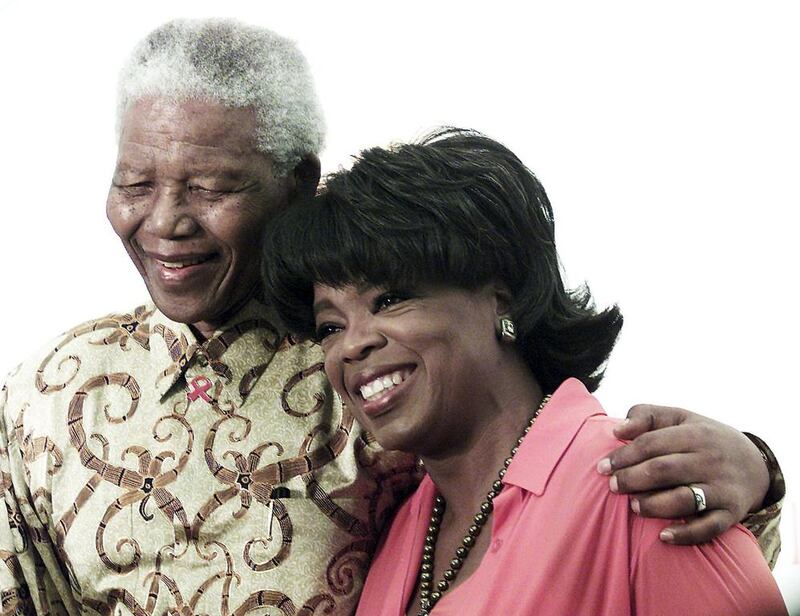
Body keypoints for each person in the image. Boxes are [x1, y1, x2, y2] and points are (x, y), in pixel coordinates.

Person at [0, 18, 783, 615]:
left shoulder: (373, 386)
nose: (166, 221)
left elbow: (586, 511)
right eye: (134, 181)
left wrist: (754, 471)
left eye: (209, 187)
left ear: (298, 183)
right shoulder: (45, 394)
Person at [260, 128, 788, 615]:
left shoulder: (642, 488)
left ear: (501, 301)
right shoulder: (399, 533)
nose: (353, 344)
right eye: (330, 327)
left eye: (391, 299)